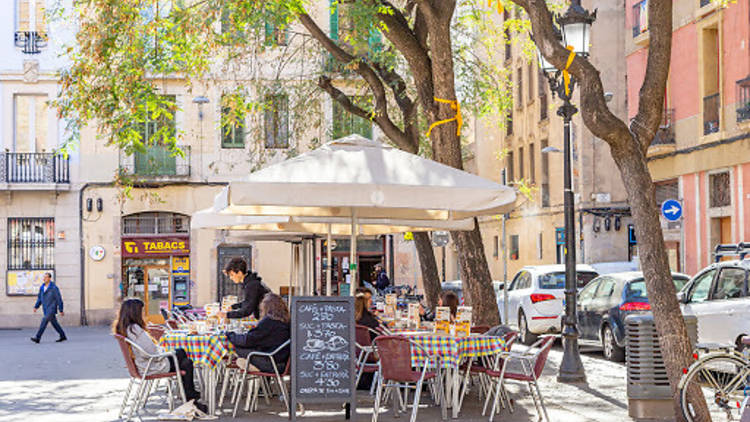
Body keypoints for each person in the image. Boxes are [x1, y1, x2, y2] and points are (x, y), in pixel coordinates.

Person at [113, 298, 207, 413]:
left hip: (145, 364)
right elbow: (152, 352)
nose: (143, 314)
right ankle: (191, 398)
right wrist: (166, 351)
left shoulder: (125, 328)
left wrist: (165, 351)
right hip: (152, 366)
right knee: (182, 353)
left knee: (186, 362)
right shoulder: (135, 329)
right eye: (142, 311)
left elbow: (150, 350)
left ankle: (191, 398)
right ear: (135, 313)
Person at [226, 294, 290, 374]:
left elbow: (247, 340)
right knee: (241, 351)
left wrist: (229, 335)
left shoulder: (269, 322)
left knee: (234, 346)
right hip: (280, 362)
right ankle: (246, 364)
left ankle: (250, 366)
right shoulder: (285, 321)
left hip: (271, 363)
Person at [31, 273, 67, 343]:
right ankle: (63, 336)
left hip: (52, 308)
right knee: (54, 323)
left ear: (49, 278)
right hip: (45, 308)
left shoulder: (54, 288)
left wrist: (61, 309)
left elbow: (59, 299)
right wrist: (36, 306)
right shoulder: (42, 288)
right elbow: (40, 298)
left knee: (44, 321)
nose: (44, 279)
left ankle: (37, 337)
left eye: (46, 277)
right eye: (44, 277)